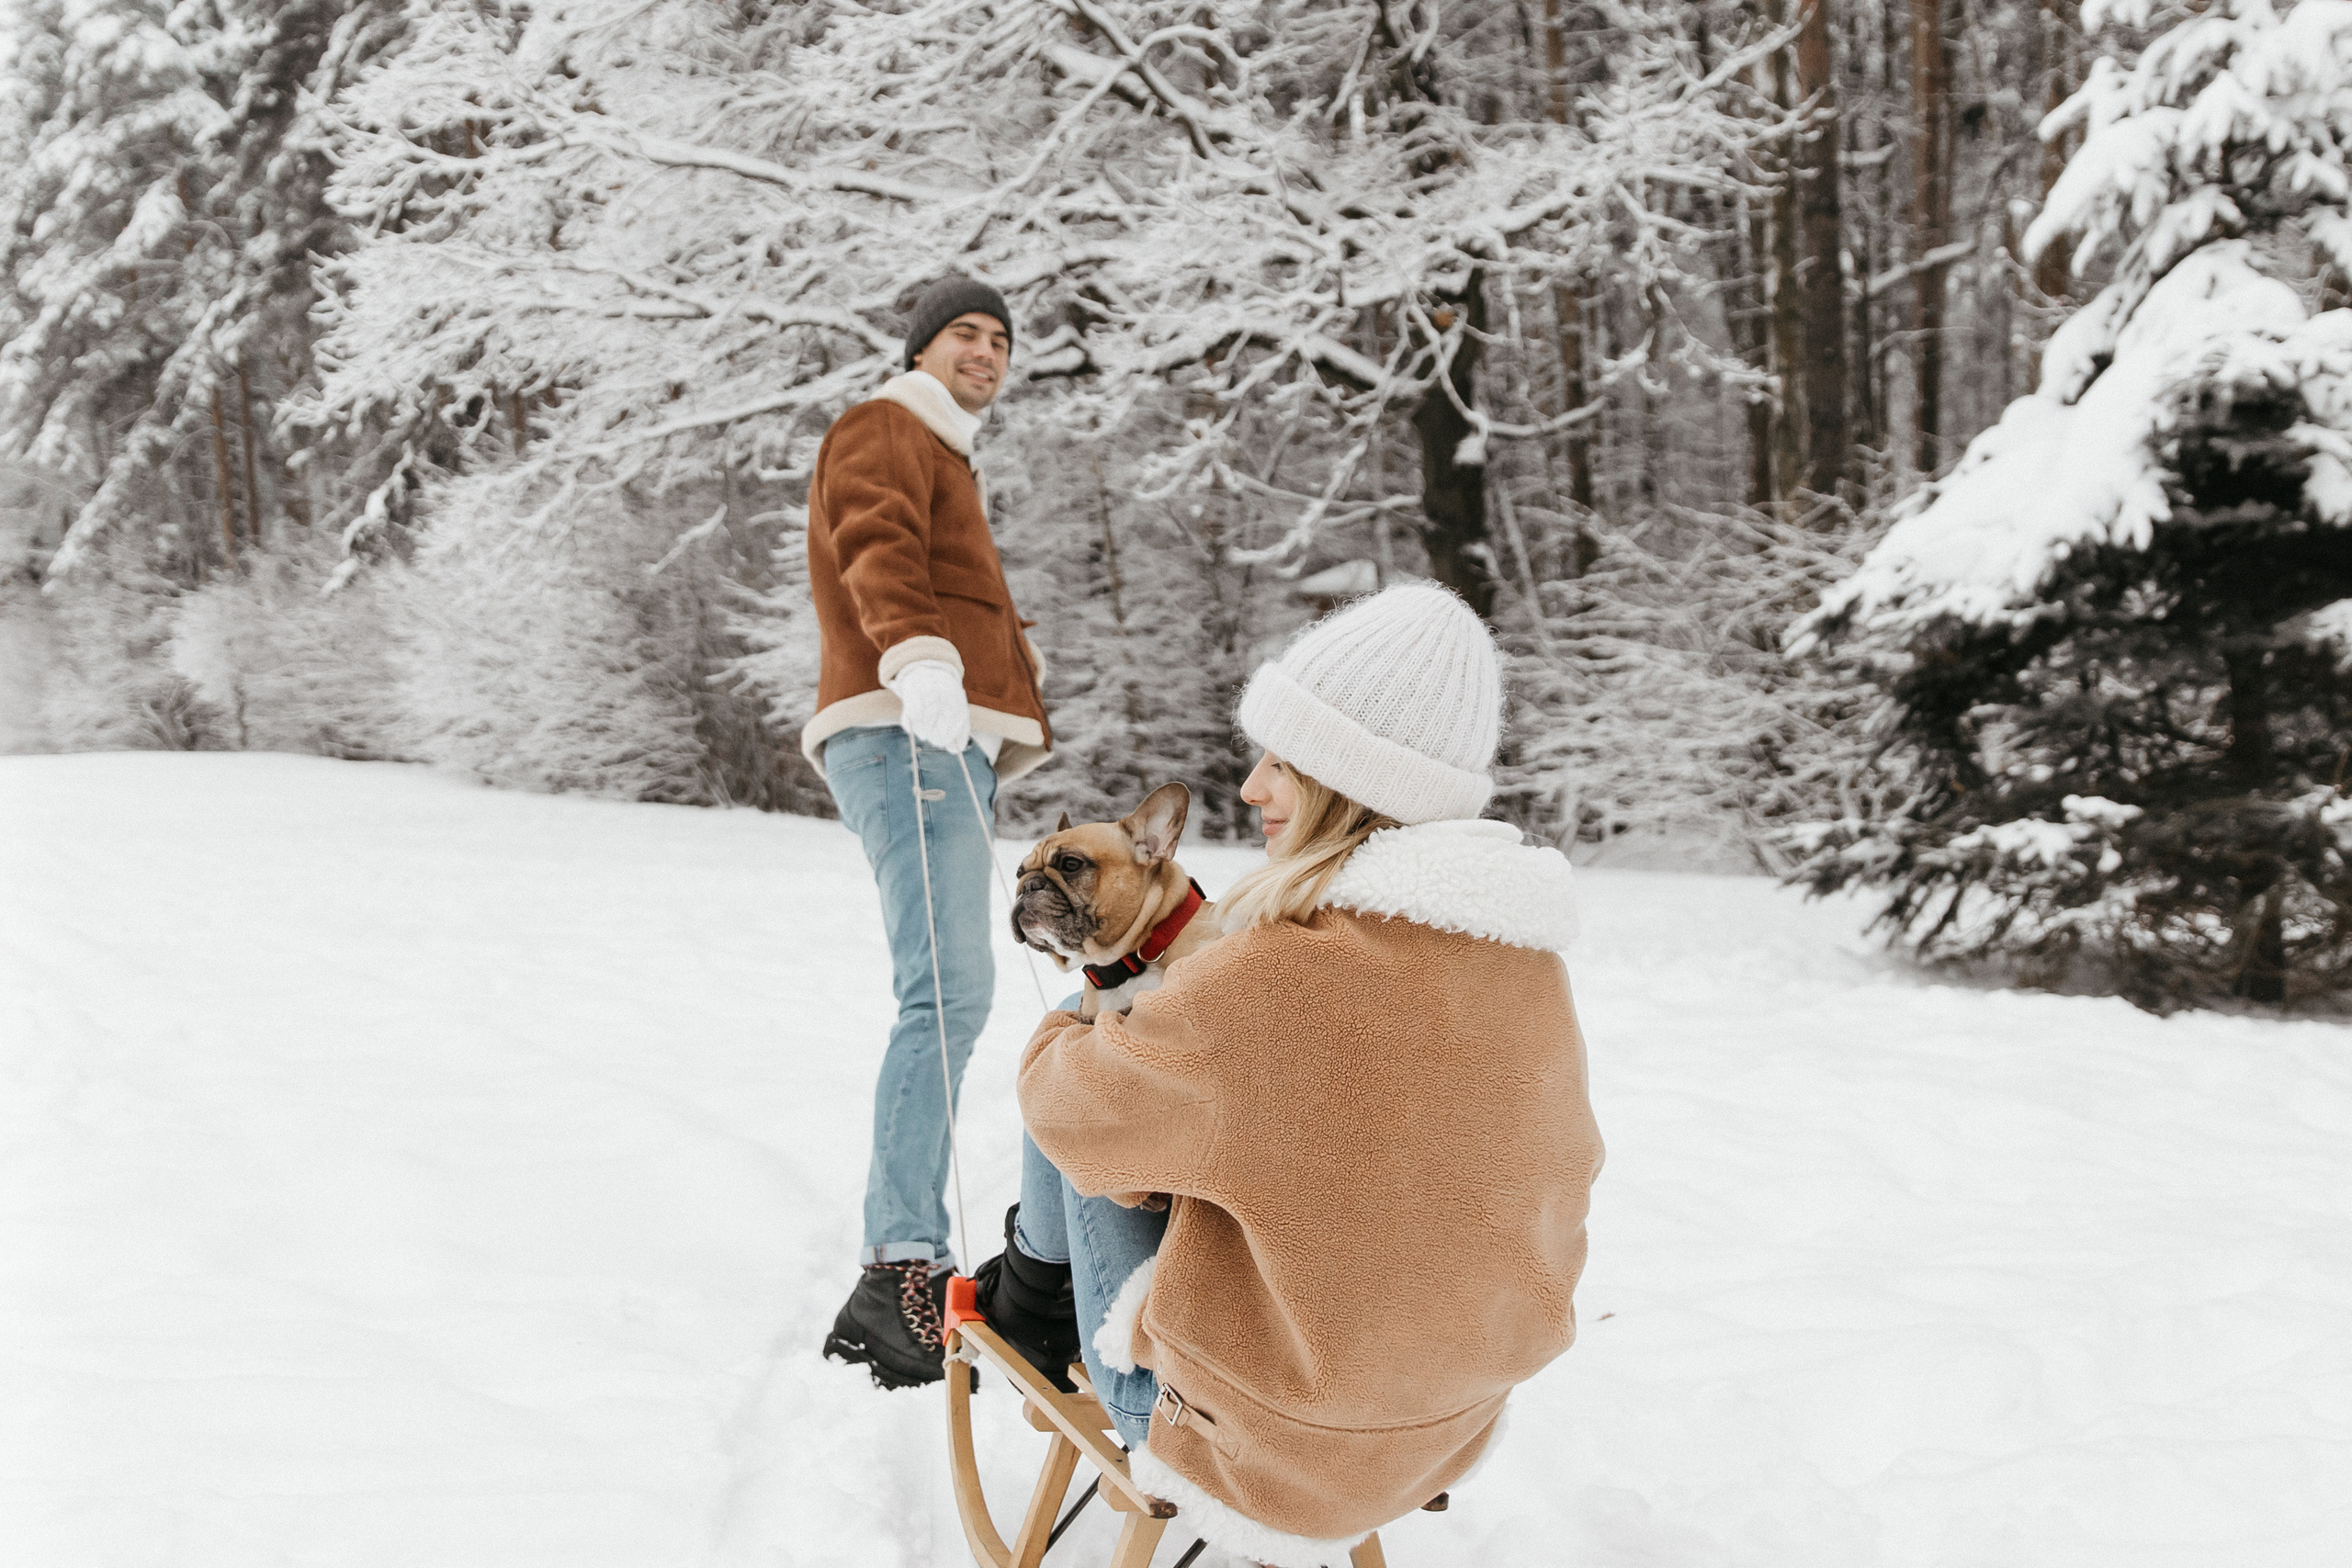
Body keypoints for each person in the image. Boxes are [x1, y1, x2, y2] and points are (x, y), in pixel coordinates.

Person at [975, 583, 1601, 1566]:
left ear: (1346, 783)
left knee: (1076, 1048)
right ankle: (1037, 1288)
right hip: (1449, 1418)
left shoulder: (1275, 972)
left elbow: (1072, 1117)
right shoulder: (1528, 970)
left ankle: (1028, 1299)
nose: (1251, 789)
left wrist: (1085, 1028)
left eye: (1280, 762)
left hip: (1253, 1429)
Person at [809, 275, 1052, 1390]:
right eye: (966, 333)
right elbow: (875, 540)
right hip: (906, 730)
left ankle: (904, 1260)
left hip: (943, 741)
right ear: (921, 347)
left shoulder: (949, 453)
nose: (987, 352)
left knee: (956, 992)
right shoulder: (886, 425)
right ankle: (898, 1270)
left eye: (1001, 339)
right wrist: (917, 655)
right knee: (944, 994)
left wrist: (1003, 676)